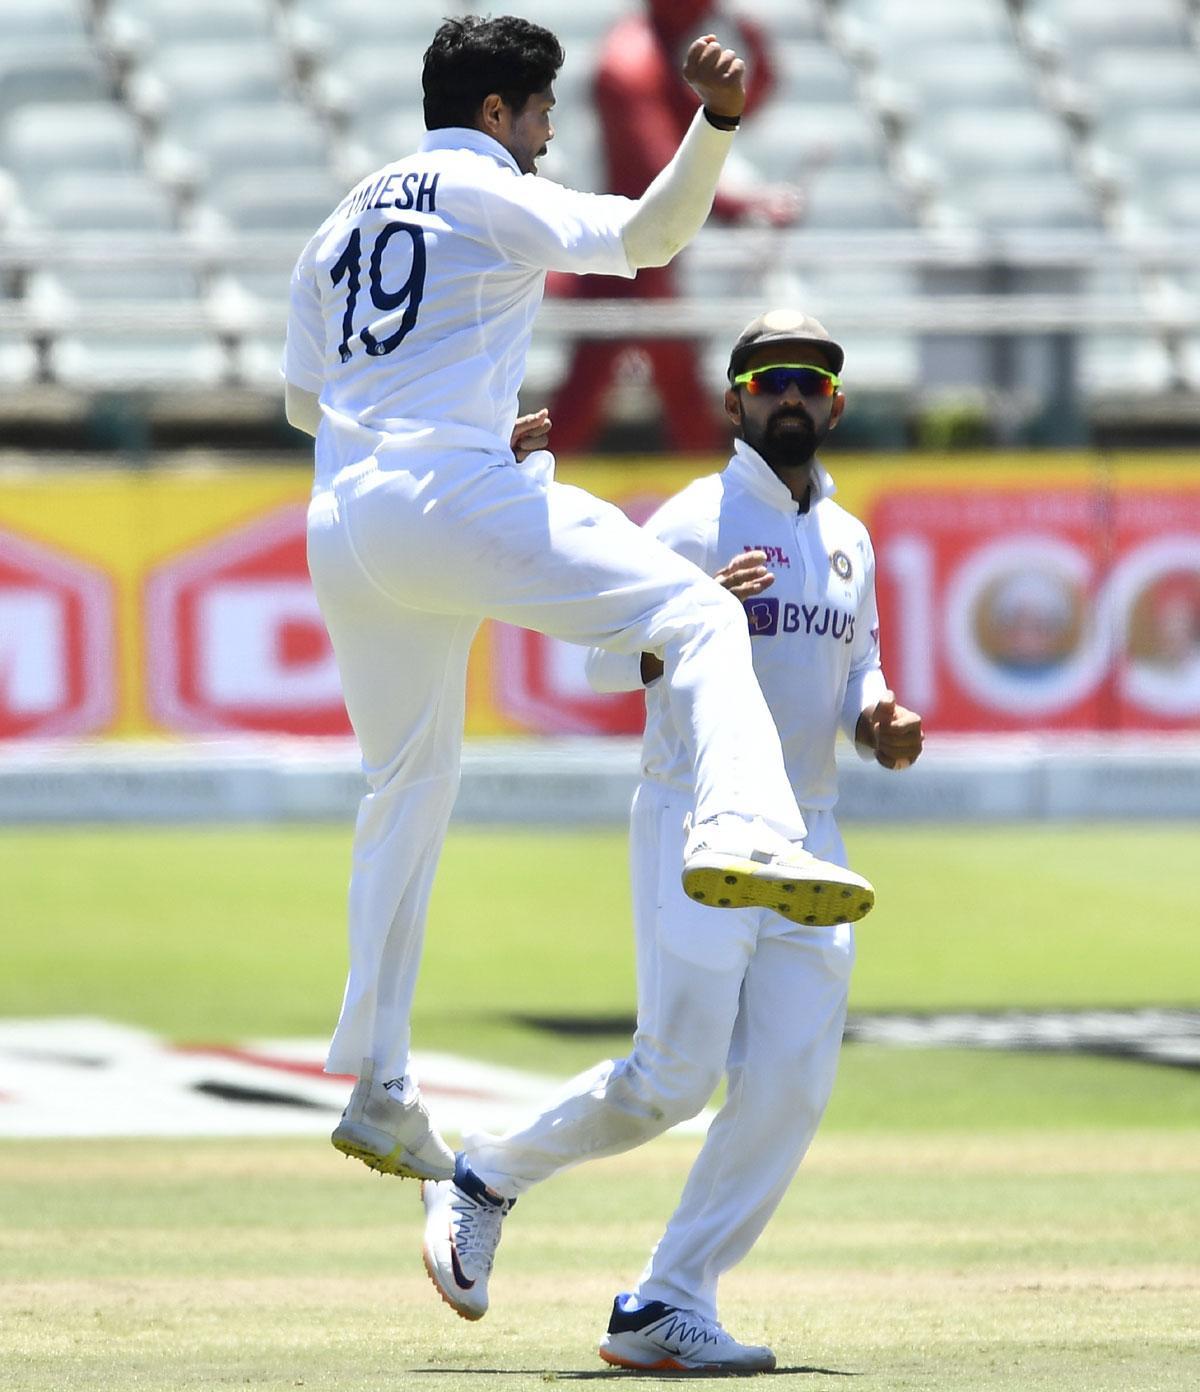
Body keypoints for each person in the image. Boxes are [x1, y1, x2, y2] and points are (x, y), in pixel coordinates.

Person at [283, 18, 875, 1189]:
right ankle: (745, 826)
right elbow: (650, 236)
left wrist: (455, 430)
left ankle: (379, 1082)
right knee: (700, 616)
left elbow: (310, 402)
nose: (552, 132)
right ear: (498, 111)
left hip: (345, 517)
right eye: (542, 111)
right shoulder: (488, 187)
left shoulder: (342, 215)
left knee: (406, 785)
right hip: (448, 494)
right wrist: (716, 125)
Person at [419, 310, 924, 1373]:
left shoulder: (849, 538)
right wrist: (689, 619)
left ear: (834, 405)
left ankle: (668, 1299)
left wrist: (878, 717)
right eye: (771, 379)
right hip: (694, 816)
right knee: (671, 1080)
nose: (791, 396)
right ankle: (485, 1175)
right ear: (737, 399)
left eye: (810, 381)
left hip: (809, 834)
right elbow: (601, 664)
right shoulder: (698, 520)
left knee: (791, 1087)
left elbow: (857, 671)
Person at [545, 0, 801, 454]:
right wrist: (745, 204)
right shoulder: (629, 61)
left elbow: (730, 108)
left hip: (646, 259)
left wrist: (755, 43)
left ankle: (713, 489)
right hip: (623, 260)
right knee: (586, 405)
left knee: (670, 394)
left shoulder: (665, 49)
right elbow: (659, 172)